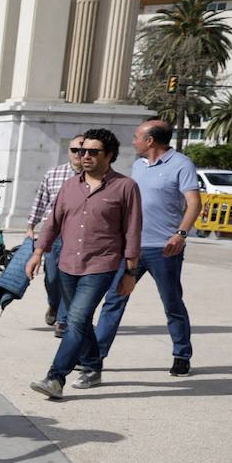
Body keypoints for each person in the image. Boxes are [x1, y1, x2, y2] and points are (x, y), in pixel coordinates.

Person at [78, 119, 202, 380]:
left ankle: (182, 354)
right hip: (131, 247)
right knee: (114, 300)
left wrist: (180, 234)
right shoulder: (138, 165)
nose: (133, 141)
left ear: (150, 141)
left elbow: (193, 203)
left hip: (164, 248)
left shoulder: (181, 164)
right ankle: (96, 356)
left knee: (171, 302)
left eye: (137, 137)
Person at [26, 128, 141, 398]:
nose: (84, 156)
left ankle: (55, 378)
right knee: (81, 320)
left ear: (109, 155)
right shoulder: (69, 185)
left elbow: (132, 231)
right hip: (66, 263)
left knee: (75, 319)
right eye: (80, 151)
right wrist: (37, 252)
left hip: (101, 265)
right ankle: (92, 365)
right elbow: (52, 222)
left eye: (92, 151)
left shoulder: (125, 187)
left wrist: (130, 272)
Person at [26, 135, 85, 336]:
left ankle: (63, 319)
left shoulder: (96, 178)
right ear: (68, 151)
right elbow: (40, 201)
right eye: (74, 150)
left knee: (70, 277)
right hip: (54, 233)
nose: (79, 154)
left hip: (80, 235)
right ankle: (54, 303)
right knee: (52, 277)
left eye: (83, 150)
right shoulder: (54, 174)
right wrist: (30, 226)